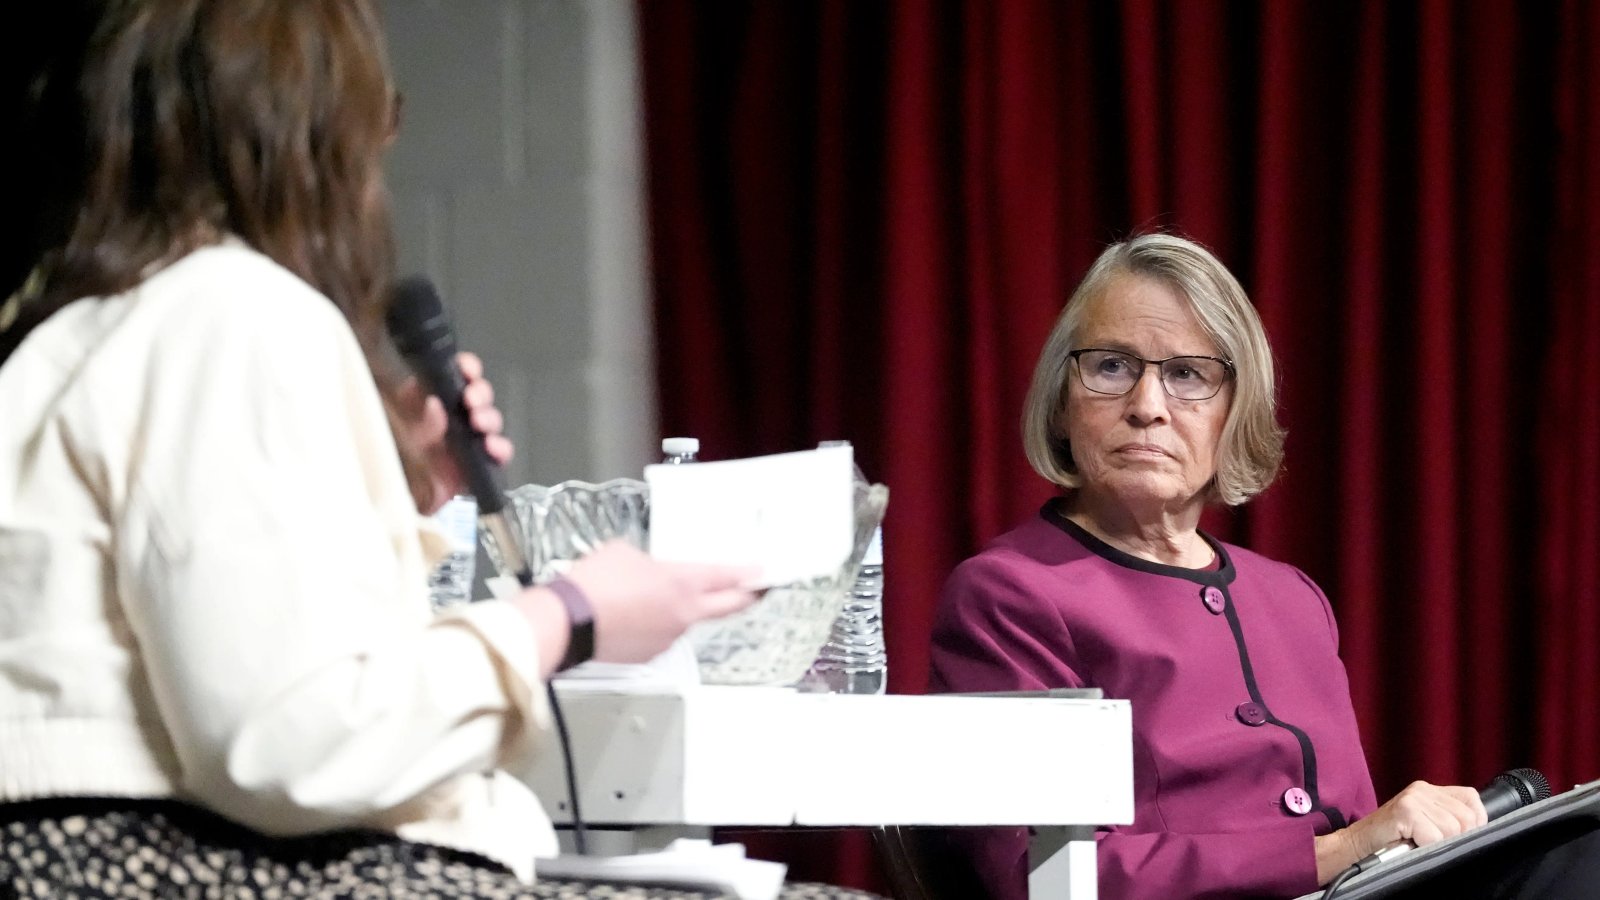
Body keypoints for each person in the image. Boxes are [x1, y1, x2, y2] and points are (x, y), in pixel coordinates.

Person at [0, 3, 876, 898]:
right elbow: (287, 739)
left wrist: (386, 490)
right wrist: (566, 616)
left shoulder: (67, 331)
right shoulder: (234, 312)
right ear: (312, 141)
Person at [927, 233, 1597, 899]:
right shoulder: (1007, 596)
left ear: (1234, 412)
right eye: (1110, 367)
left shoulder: (1292, 598)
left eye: (1188, 375)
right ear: (1062, 402)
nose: (1147, 406)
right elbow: (1046, 879)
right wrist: (1335, 851)